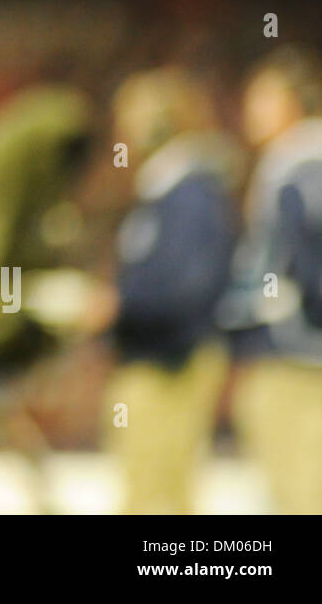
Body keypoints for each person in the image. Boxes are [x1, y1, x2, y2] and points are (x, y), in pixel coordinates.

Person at [101, 67, 242, 514]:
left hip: (169, 363)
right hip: (161, 359)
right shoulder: (172, 189)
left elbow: (185, 289)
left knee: (153, 495)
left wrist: (117, 306)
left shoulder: (188, 193)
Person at [220, 47, 322, 513]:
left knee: (298, 488)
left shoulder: (302, 166)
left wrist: (285, 316)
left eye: (264, 98)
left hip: (296, 355)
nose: (251, 110)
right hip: (290, 349)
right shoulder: (291, 164)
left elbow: (298, 264)